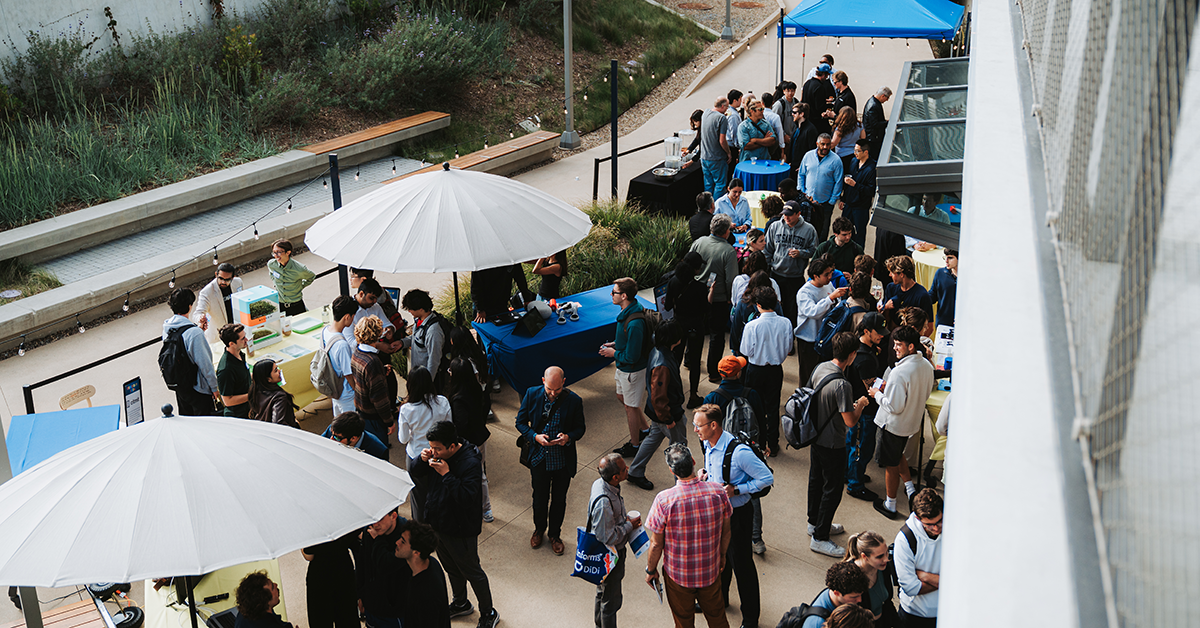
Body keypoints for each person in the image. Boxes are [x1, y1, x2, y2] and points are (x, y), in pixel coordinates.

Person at [409, 421, 497, 627]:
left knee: (472, 571)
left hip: (460, 529)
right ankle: (461, 603)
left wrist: (446, 475)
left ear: (452, 446)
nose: (433, 452)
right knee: (451, 568)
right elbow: (415, 472)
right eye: (431, 447)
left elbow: (467, 498)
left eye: (437, 448)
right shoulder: (437, 455)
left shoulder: (470, 462)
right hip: (437, 524)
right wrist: (421, 460)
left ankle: (488, 612)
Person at [694, 403, 773, 628]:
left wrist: (737, 490)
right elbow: (715, 468)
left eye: (698, 425)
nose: (695, 430)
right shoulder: (707, 442)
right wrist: (705, 474)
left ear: (713, 425)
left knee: (742, 566)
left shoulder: (740, 453)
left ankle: (750, 619)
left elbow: (766, 478)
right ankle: (721, 600)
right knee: (721, 559)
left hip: (737, 514)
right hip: (718, 512)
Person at [644, 443, 733, 628]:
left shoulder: (664, 500)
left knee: (683, 622)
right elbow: (726, 531)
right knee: (717, 618)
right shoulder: (718, 492)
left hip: (678, 576)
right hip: (710, 571)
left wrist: (651, 570)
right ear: (693, 462)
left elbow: (656, 544)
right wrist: (722, 556)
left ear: (671, 471)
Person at [806, 332, 870, 557]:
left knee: (816, 481)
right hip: (833, 442)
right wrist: (860, 404)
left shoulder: (820, 367)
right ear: (852, 355)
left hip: (816, 436)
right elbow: (850, 421)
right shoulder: (843, 385)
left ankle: (814, 523)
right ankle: (820, 537)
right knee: (832, 490)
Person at [515, 366, 586, 555]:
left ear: (564, 382)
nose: (553, 394)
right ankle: (539, 530)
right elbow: (520, 422)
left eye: (557, 390)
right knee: (539, 499)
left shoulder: (574, 401)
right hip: (539, 458)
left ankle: (555, 535)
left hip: (562, 460)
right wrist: (535, 436)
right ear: (543, 381)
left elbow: (580, 428)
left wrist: (568, 437)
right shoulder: (531, 394)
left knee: (559, 500)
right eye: (549, 390)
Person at [701, 356, 767, 554]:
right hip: (746, 451)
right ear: (738, 373)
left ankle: (719, 533)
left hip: (721, 454)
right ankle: (756, 538)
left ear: (721, 374)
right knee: (751, 495)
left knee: (719, 492)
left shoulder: (713, 398)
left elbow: (704, 432)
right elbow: (762, 421)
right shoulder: (751, 393)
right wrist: (763, 446)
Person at [871, 326, 935, 520]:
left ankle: (890, 504)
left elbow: (893, 406)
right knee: (898, 455)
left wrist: (877, 395)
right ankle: (909, 489)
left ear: (911, 346)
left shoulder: (899, 373)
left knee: (890, 464)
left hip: (893, 425)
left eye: (899, 345)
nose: (895, 348)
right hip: (910, 423)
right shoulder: (926, 365)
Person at [627, 320, 687, 491]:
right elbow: (659, 397)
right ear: (674, 338)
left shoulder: (658, 351)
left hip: (658, 414)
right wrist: (668, 418)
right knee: (679, 448)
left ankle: (635, 470)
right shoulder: (663, 363)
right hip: (668, 414)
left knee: (653, 438)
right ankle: (681, 486)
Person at [599, 278, 649, 457]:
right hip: (624, 369)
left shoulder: (635, 322)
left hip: (632, 371)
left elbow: (632, 356)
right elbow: (627, 342)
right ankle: (645, 429)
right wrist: (615, 344)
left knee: (630, 406)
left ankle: (635, 445)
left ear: (624, 296)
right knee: (623, 398)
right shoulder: (626, 311)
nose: (611, 295)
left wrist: (613, 354)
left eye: (614, 292)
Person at [740, 286, 793, 457]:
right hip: (775, 370)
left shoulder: (752, 326)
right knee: (773, 407)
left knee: (754, 407)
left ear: (758, 305)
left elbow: (745, 350)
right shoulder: (785, 323)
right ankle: (773, 443)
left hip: (755, 369)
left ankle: (757, 443)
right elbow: (788, 348)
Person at [590, 454, 640, 628]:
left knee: (602, 593)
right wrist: (628, 526)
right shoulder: (604, 503)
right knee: (610, 602)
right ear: (615, 477)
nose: (628, 469)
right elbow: (608, 537)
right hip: (611, 556)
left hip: (607, 554)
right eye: (624, 469)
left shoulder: (601, 484)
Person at [688, 214, 739, 383]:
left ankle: (689, 359)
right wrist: (730, 298)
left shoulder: (699, 242)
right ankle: (713, 372)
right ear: (726, 231)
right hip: (717, 299)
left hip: (695, 295)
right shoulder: (729, 251)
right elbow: (731, 279)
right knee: (717, 335)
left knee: (694, 328)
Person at [400, 366, 451, 522]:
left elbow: (402, 439)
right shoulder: (442, 402)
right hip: (440, 456)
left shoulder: (406, 409)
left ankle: (421, 529)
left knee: (418, 499)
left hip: (416, 457)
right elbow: (449, 428)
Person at [846, 313, 887, 501]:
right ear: (866, 331)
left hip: (856, 408)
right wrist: (884, 385)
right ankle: (855, 485)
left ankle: (850, 475)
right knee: (862, 449)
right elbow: (871, 388)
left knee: (853, 445)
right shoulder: (864, 359)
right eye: (877, 332)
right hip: (864, 411)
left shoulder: (862, 349)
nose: (882, 336)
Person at [447, 358, 492, 522]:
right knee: (481, 475)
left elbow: (461, 424)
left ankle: (480, 509)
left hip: (468, 443)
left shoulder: (458, 398)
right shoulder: (477, 389)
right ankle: (486, 510)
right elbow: (486, 407)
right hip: (480, 437)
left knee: (471, 476)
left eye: (450, 371)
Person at [162, 288, 219, 416]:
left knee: (187, 420)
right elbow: (205, 364)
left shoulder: (167, 327)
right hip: (198, 388)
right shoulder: (194, 333)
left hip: (181, 386)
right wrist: (214, 388)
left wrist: (198, 330)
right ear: (189, 306)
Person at [795, 258, 850, 387]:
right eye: (826, 274)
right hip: (809, 340)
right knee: (808, 375)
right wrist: (830, 298)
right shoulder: (804, 292)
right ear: (815, 276)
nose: (830, 277)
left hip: (825, 338)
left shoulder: (828, 285)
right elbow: (813, 312)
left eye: (830, 273)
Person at [764, 201, 819, 326]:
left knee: (793, 311)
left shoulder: (809, 230)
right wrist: (766, 270)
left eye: (790, 215)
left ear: (798, 214)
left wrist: (801, 253)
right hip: (776, 275)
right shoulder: (775, 227)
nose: (786, 217)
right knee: (775, 309)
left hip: (795, 277)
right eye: (784, 214)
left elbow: (814, 251)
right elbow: (767, 250)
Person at [894, 489, 943, 627]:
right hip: (914, 614)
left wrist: (925, 577)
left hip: (945, 612)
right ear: (917, 518)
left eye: (939, 521)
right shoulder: (905, 539)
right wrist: (947, 582)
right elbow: (911, 588)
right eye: (929, 525)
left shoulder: (952, 529)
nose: (936, 528)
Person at [353, 509, 409, 628]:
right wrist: (361, 595)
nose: (375, 524)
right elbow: (363, 564)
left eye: (380, 518)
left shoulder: (405, 536)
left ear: (393, 516)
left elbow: (387, 565)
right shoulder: (370, 531)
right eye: (373, 518)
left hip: (394, 612)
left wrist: (378, 540)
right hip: (372, 607)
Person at [666, 253, 708, 408]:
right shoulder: (700, 287)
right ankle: (693, 396)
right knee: (695, 361)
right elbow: (705, 309)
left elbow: (668, 306)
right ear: (696, 269)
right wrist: (709, 294)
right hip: (696, 326)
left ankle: (673, 393)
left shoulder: (673, 282)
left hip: (678, 325)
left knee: (675, 360)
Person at [351, 316, 398, 445]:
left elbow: (362, 377)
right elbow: (379, 398)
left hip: (360, 410)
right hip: (374, 418)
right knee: (379, 452)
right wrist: (389, 421)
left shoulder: (357, 352)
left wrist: (380, 372)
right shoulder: (373, 362)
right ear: (377, 334)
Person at [394, 521, 450, 628]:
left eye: (403, 541)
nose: (397, 542)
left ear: (416, 552)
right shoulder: (432, 563)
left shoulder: (426, 597)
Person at [303, 529, 358, 628]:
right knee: (347, 619)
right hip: (343, 569)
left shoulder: (308, 523)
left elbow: (309, 556)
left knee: (320, 621)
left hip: (319, 574)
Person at [798, 134, 844, 242]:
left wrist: (832, 201)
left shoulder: (836, 160)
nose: (825, 147)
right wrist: (802, 192)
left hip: (825, 203)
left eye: (828, 144)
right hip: (807, 201)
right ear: (817, 144)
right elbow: (801, 174)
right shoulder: (808, 156)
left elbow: (838, 182)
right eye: (822, 144)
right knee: (806, 227)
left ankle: (820, 253)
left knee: (823, 230)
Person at [798, 562, 870, 628]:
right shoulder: (817, 623)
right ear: (837, 593)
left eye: (861, 595)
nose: (860, 600)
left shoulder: (835, 590)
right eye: (854, 597)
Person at [399, 289, 448, 387]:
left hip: (426, 381)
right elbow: (417, 338)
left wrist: (427, 385)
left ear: (421, 309)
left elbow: (434, 360)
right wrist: (402, 343)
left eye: (411, 309)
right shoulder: (419, 320)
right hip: (418, 376)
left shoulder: (434, 331)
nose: (409, 311)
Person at [844, 531, 894, 624]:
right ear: (864, 556)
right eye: (880, 556)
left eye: (886, 553)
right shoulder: (850, 577)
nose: (886, 559)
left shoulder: (882, 567)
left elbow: (887, 602)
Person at [321, 296, 359, 417]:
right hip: (346, 395)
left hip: (334, 389)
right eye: (353, 317)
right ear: (347, 317)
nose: (353, 321)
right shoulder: (342, 345)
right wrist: (357, 393)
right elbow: (348, 374)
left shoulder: (325, 331)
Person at [730, 271, 781, 356]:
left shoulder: (743, 302)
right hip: (769, 346)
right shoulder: (775, 303)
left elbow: (736, 326)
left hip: (746, 345)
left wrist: (734, 346)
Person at [193, 263, 243, 343]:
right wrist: (201, 318)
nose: (223, 282)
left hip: (237, 331)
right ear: (216, 275)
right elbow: (197, 314)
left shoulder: (238, 282)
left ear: (232, 278)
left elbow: (243, 302)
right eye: (220, 278)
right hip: (218, 337)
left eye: (227, 280)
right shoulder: (207, 292)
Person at [840, 139, 877, 248]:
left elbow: (871, 191)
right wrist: (843, 199)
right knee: (843, 229)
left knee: (860, 234)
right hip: (849, 204)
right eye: (854, 150)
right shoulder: (853, 162)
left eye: (858, 151)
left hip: (861, 207)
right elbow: (848, 183)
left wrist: (855, 185)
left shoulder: (872, 168)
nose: (855, 153)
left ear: (865, 152)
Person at [880, 256, 934, 328]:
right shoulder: (891, 288)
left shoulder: (922, 295)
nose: (890, 275)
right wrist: (886, 308)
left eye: (892, 273)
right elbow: (885, 321)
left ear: (901, 274)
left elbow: (929, 327)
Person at [267, 239, 315, 316]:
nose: (276, 255)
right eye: (274, 252)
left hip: (296, 305)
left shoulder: (300, 269)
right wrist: (276, 284)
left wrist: (300, 286)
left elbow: (311, 277)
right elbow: (271, 274)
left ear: (288, 252)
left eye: (279, 252)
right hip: (281, 305)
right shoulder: (271, 264)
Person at [248, 359, 299, 428]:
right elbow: (278, 423)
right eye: (275, 370)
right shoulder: (280, 397)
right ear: (268, 379)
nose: (279, 371)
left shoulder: (255, 391)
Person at [215, 324, 251, 418]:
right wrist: (253, 395)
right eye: (242, 339)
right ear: (231, 344)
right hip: (238, 416)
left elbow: (243, 377)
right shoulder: (226, 369)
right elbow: (228, 401)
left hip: (249, 409)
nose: (246, 340)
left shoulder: (239, 354)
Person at [700, 97, 733, 198]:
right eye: (727, 107)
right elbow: (722, 140)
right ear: (722, 106)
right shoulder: (722, 118)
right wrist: (728, 153)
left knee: (708, 184)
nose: (727, 109)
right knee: (720, 184)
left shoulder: (705, 112)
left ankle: (707, 207)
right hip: (717, 158)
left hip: (704, 156)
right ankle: (716, 208)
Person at [323, 411, 388, 460]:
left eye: (337, 438)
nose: (331, 439)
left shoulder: (379, 451)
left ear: (353, 438)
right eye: (332, 433)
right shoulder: (333, 430)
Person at [787, 103, 820, 181]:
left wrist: (805, 166)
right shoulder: (797, 127)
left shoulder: (811, 130)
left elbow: (813, 151)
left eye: (795, 112)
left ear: (802, 114)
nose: (792, 114)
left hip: (802, 168)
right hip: (794, 166)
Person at [802, 64, 837, 135]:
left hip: (807, 120)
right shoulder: (820, 87)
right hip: (817, 122)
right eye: (827, 75)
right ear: (824, 75)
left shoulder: (807, 83)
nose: (827, 77)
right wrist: (831, 105)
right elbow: (819, 107)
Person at [861, 87, 892, 162]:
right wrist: (887, 123)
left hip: (873, 137)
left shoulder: (873, 102)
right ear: (883, 96)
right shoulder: (874, 106)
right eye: (887, 98)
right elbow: (874, 124)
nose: (887, 100)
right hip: (874, 138)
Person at [929, 250, 957, 328]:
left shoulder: (969, 277)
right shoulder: (940, 273)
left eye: (950, 258)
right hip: (943, 323)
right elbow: (933, 295)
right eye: (945, 257)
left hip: (963, 324)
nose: (946, 261)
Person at [772, 81, 799, 156]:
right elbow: (774, 122)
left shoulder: (796, 102)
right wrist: (783, 135)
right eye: (788, 91)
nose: (790, 93)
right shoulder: (779, 104)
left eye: (792, 91)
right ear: (784, 91)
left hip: (793, 136)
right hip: (781, 137)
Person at [725, 90, 744, 166]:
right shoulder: (733, 115)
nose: (741, 101)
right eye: (740, 99)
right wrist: (738, 146)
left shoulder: (728, 111)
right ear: (734, 100)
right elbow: (734, 132)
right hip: (732, 146)